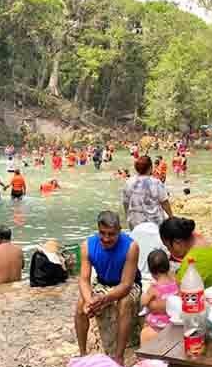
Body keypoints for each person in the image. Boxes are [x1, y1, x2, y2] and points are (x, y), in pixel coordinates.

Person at [74, 211, 140, 364]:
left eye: (111, 234)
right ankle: (82, 354)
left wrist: (104, 299)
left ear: (119, 231)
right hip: (102, 283)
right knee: (80, 306)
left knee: (124, 303)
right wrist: (90, 301)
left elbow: (126, 285)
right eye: (102, 233)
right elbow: (84, 280)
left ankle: (118, 356)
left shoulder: (131, 247)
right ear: (98, 230)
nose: (106, 238)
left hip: (126, 285)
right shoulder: (87, 245)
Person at [138, 249, 177, 345]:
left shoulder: (154, 288)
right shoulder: (174, 282)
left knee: (144, 332)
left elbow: (144, 302)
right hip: (172, 323)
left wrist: (144, 295)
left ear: (152, 272)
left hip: (158, 325)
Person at [122, 156, 173, 229]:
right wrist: (171, 217)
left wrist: (128, 217)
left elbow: (125, 203)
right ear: (150, 168)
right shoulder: (156, 182)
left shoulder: (128, 183)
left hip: (135, 223)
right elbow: (164, 203)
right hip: (154, 223)